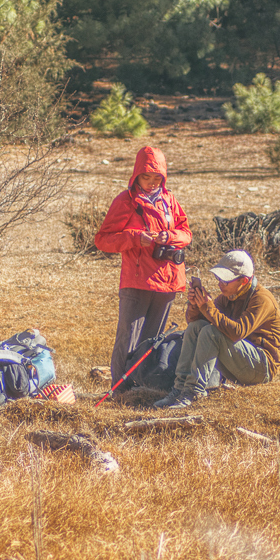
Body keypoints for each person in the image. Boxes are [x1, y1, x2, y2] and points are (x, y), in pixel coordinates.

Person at [94, 145, 192, 382]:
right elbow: (102, 240)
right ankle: (119, 389)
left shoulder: (169, 200)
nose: (151, 182)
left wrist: (168, 237)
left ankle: (142, 385)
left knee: (153, 341)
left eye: (157, 177)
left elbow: (186, 233)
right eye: (146, 177)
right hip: (137, 282)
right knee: (128, 339)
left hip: (168, 280)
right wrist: (135, 237)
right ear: (136, 174)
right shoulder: (126, 201)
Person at [156, 249, 280, 408]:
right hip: (240, 359)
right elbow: (195, 321)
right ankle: (180, 389)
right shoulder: (229, 296)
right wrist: (196, 306)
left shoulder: (261, 299)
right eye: (219, 278)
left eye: (225, 280)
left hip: (261, 368)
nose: (219, 283)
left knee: (211, 332)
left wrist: (207, 307)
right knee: (197, 327)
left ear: (243, 281)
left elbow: (237, 332)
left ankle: (195, 392)